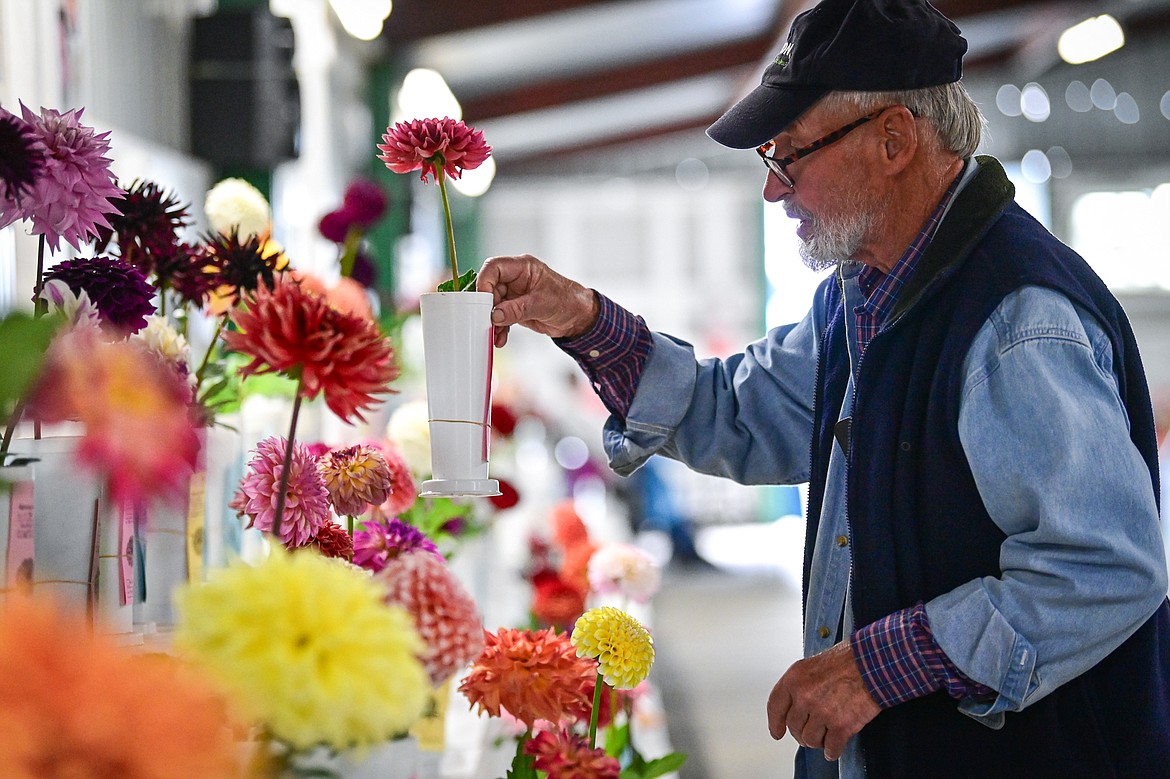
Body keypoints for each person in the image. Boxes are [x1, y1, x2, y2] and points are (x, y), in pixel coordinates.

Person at [477, 0, 1170, 775]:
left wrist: (879, 663)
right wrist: (581, 318)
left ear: (894, 140)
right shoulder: (861, 296)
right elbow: (734, 411)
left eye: (788, 155)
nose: (774, 191)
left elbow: (1106, 568)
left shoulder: (1016, 322)